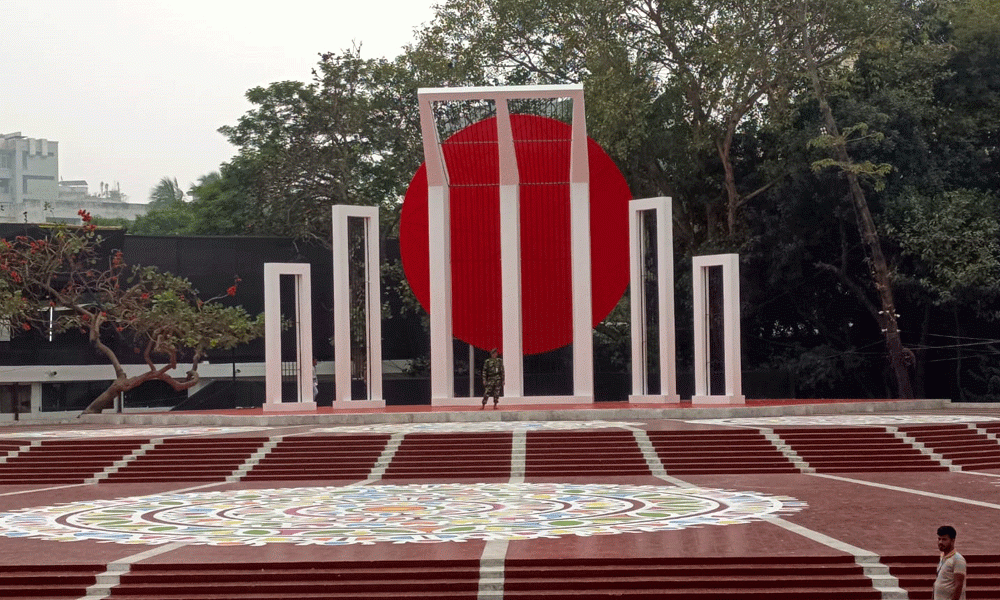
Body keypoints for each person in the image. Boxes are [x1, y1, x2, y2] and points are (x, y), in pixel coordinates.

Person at [934, 525, 966, 600]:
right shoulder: (942, 557)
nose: (940, 542)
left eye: (944, 539)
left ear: (952, 540)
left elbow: (959, 585)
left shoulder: (958, 559)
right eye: (939, 539)